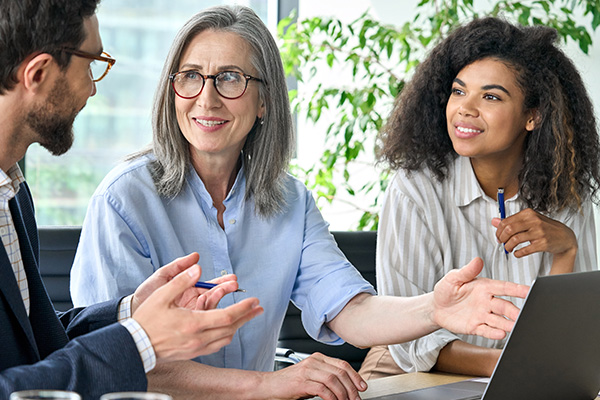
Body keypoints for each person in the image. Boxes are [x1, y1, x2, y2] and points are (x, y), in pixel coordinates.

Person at [70, 6, 530, 400]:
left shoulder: (290, 201)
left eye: (229, 78)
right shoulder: (124, 199)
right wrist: (267, 385)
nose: (206, 98)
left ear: (264, 100)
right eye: (191, 77)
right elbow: (115, 359)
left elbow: (350, 311)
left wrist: (436, 309)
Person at [0, 1, 265, 398]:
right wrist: (141, 341)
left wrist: (133, 310)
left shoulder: (13, 195)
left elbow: (35, 344)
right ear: (38, 73)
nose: (92, 87)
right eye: (90, 64)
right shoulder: (121, 192)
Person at [359, 16, 600, 380]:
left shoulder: (565, 186)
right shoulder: (415, 189)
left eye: (490, 96)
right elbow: (410, 345)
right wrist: (513, 367)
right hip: (412, 369)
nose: (465, 108)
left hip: (524, 373)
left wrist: (565, 249)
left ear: (532, 115)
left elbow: (568, 333)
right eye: (459, 91)